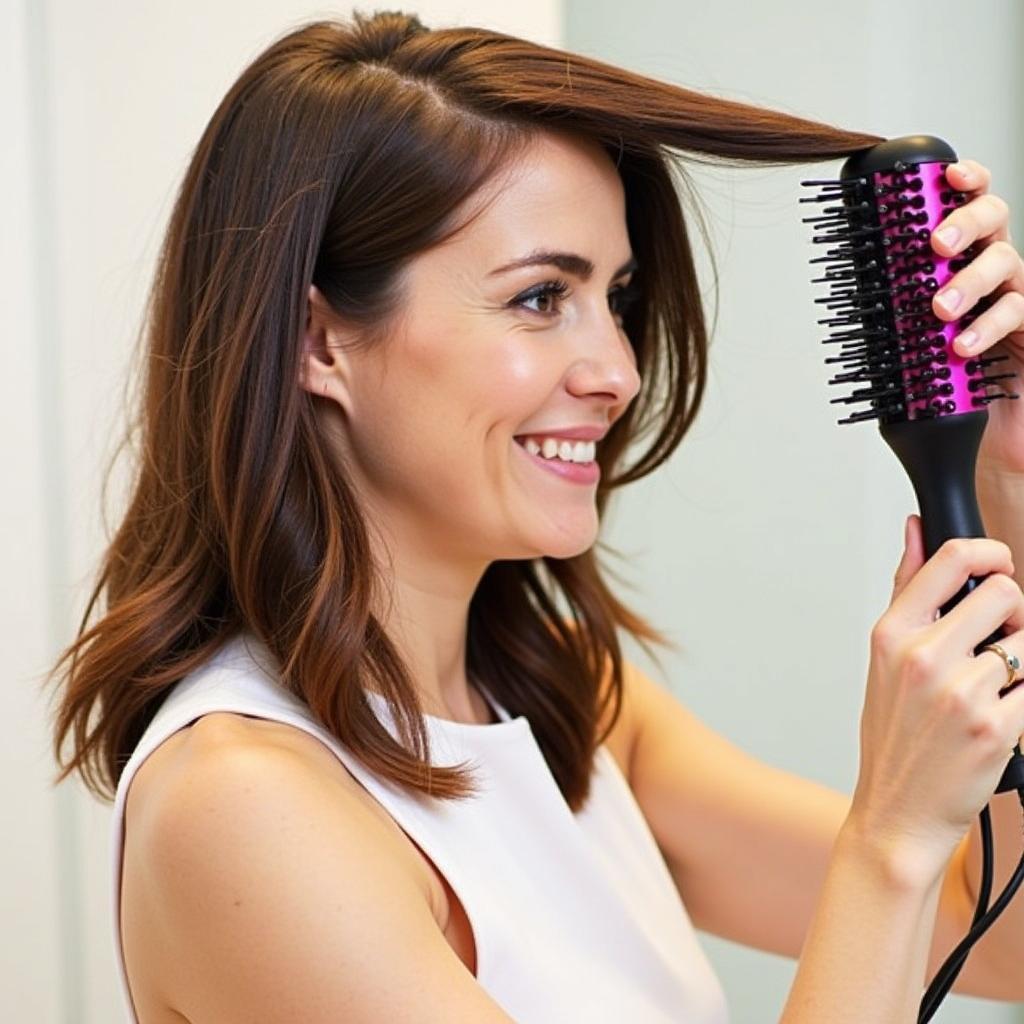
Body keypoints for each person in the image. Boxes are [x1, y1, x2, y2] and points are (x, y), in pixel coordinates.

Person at [47, 9, 1024, 1023]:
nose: (617, 370)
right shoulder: (245, 805)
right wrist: (888, 837)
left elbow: (995, 933)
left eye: (615, 296)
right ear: (318, 342)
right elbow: (908, 880)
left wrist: (1006, 474)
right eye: (538, 298)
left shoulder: (566, 701)